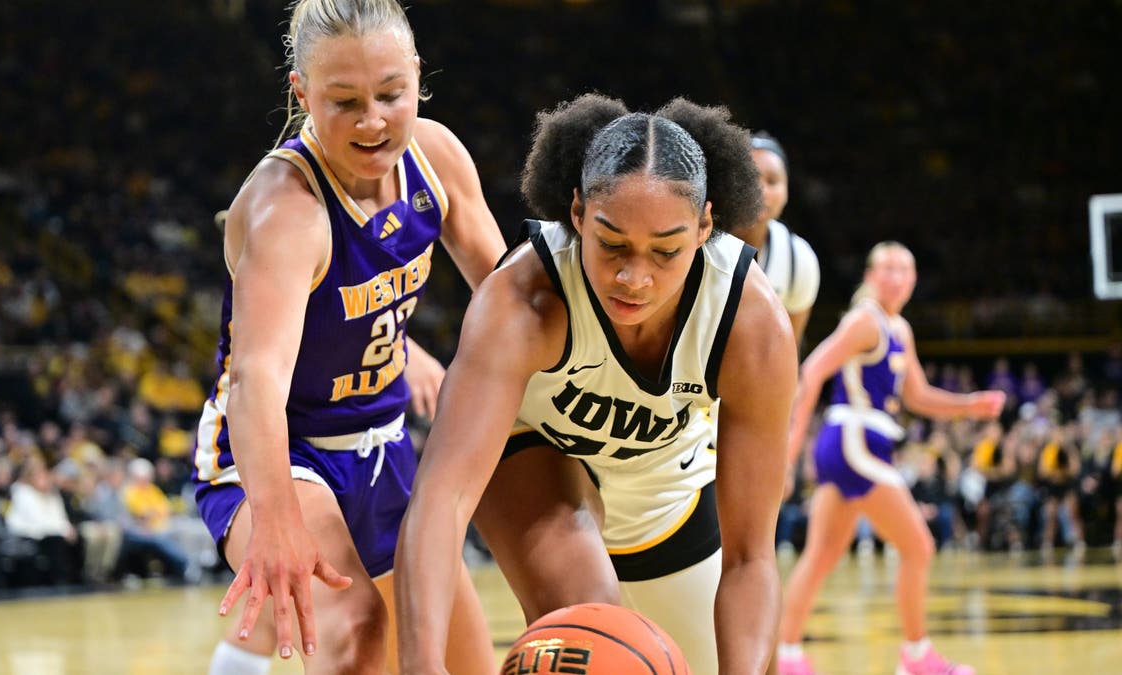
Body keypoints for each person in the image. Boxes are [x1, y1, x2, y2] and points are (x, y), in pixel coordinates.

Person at [395, 93, 798, 675]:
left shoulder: (751, 324)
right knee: (596, 637)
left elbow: (751, 557)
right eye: (612, 244)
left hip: (662, 480)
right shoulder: (520, 300)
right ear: (578, 212)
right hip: (533, 450)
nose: (635, 276)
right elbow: (439, 503)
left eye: (666, 251)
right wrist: (422, 667)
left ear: (706, 225)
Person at [191, 1, 505, 673]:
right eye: (345, 102)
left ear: (418, 76)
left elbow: (509, 298)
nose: (373, 121)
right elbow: (256, 384)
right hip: (280, 452)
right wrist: (274, 517)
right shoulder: (287, 209)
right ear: (301, 92)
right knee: (356, 630)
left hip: (384, 444)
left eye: (391, 94)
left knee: (466, 660)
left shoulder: (437, 158)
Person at [775, 242, 1005, 675]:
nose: (897, 277)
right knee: (919, 547)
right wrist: (790, 448)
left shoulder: (900, 329)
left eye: (905, 269)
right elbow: (812, 369)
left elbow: (917, 395)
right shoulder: (865, 321)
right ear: (870, 275)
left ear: (915, 279)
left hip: (860, 443)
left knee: (822, 554)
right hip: (853, 441)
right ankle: (917, 657)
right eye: (887, 268)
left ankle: (785, 656)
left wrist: (969, 405)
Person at [736, 132, 819, 346]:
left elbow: (788, 347)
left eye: (772, 181)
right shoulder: (698, 241)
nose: (760, 190)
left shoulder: (799, 259)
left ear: (786, 191)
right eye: (749, 178)